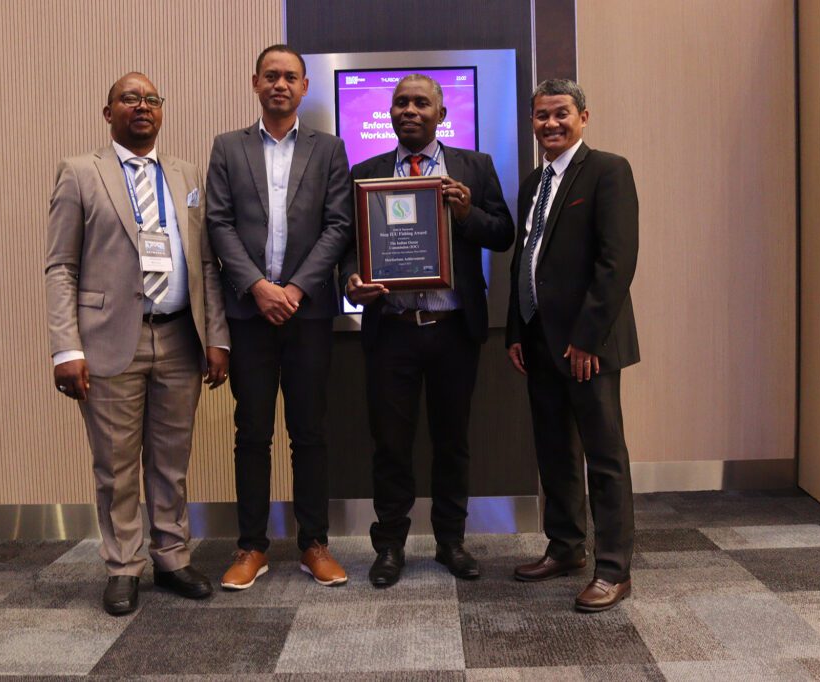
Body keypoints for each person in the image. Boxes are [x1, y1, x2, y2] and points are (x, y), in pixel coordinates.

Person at [45, 72, 230, 615]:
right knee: (116, 465)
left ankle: (171, 557)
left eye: (151, 99)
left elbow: (206, 264)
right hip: (108, 341)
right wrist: (66, 348)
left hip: (179, 337)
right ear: (109, 113)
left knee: (171, 461)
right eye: (129, 98)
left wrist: (216, 336)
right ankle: (123, 565)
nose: (142, 106)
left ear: (161, 111)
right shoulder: (81, 172)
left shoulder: (185, 173)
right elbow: (61, 267)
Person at [342, 74, 515, 587]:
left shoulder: (475, 167)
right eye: (401, 103)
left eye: (421, 103)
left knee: (452, 441)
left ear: (442, 114)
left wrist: (466, 213)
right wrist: (351, 281)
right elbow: (349, 246)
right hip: (392, 330)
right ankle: (390, 546)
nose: (410, 110)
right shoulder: (366, 173)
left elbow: (503, 233)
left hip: (452, 329)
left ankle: (450, 542)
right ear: (390, 113)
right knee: (390, 445)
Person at [206, 45, 353, 590]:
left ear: (304, 86)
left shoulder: (329, 149)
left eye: (290, 77)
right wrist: (258, 287)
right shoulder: (228, 147)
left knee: (309, 431)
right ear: (255, 82)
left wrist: (292, 289)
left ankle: (314, 544)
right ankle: (251, 546)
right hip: (249, 315)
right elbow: (219, 224)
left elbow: (339, 226)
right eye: (271, 75)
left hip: (307, 314)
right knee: (252, 432)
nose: (280, 84)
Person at [506, 79, 639, 613]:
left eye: (561, 113)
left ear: (584, 116)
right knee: (555, 451)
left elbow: (616, 263)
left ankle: (613, 569)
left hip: (589, 345)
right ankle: (565, 547)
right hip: (540, 340)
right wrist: (517, 331)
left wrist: (588, 339)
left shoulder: (608, 171)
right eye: (542, 116)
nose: (551, 124)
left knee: (603, 457)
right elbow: (526, 259)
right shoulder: (532, 183)